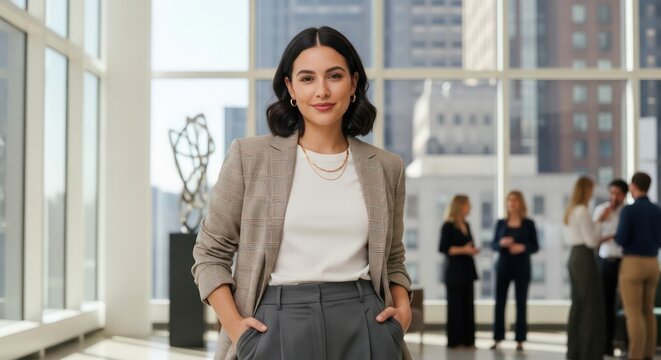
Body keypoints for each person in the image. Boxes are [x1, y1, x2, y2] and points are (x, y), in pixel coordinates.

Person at [192, 26, 412, 360]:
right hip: (275, 323)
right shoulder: (249, 157)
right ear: (290, 88)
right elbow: (210, 253)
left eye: (334, 76)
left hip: (365, 320)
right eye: (307, 78)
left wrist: (403, 310)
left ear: (353, 83)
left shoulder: (385, 166)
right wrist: (237, 329)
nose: (322, 91)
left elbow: (393, 256)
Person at [615, 172, 661, 360]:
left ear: (633, 186)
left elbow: (621, 238)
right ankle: (649, 353)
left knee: (633, 313)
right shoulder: (657, 210)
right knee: (647, 310)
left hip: (633, 263)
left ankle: (636, 355)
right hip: (653, 263)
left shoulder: (629, 210)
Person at [564, 176, 610, 360]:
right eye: (591, 189)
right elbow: (591, 241)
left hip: (575, 256)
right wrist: (600, 222)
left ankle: (577, 351)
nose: (592, 193)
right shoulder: (583, 210)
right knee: (591, 306)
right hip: (584, 258)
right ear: (585, 190)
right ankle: (589, 352)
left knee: (579, 305)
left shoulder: (572, 210)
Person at [490, 191, 539, 352]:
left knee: (521, 303)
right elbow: (493, 244)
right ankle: (497, 338)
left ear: (521, 203)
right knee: (500, 303)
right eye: (510, 201)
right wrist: (502, 243)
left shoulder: (528, 224)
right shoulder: (501, 223)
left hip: (522, 267)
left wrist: (522, 247)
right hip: (503, 266)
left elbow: (535, 246)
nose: (512, 204)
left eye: (515, 201)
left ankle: (520, 340)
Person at [439, 194, 480, 348]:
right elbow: (444, 248)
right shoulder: (448, 226)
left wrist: (471, 250)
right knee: (455, 307)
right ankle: (454, 341)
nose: (470, 208)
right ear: (460, 206)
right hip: (454, 273)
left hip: (468, 271)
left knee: (468, 307)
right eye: (468, 204)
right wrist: (464, 249)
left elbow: (469, 244)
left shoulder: (467, 225)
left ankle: (468, 341)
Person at [593, 179, 628, 356]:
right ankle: (606, 346)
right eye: (612, 193)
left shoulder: (628, 212)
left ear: (624, 195)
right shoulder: (601, 211)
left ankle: (626, 344)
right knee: (606, 304)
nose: (614, 197)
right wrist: (601, 221)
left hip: (625, 262)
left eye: (618, 194)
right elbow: (593, 239)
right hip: (606, 261)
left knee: (627, 305)